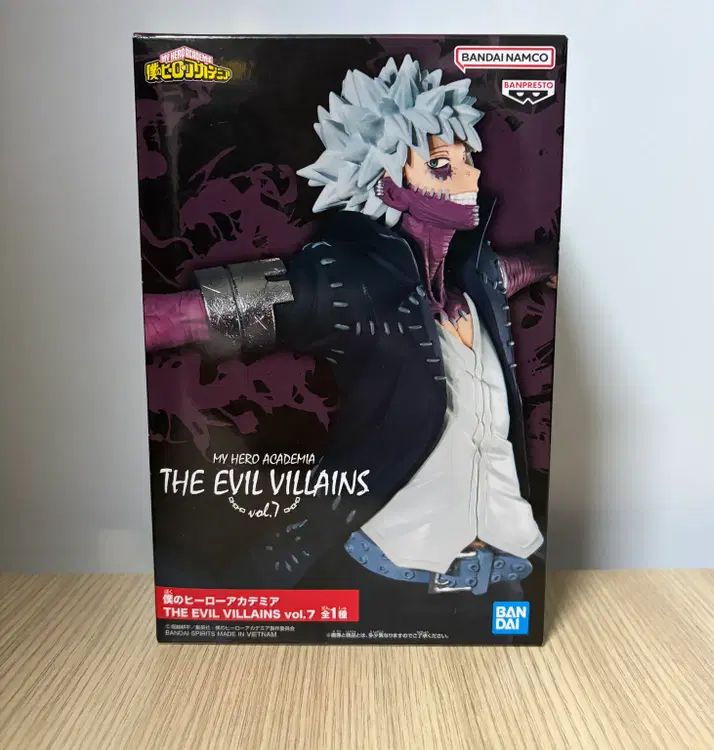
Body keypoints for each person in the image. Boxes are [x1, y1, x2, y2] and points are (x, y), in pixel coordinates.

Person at [143, 55, 556, 596]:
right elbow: (192, 314)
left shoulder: (476, 282)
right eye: (441, 163)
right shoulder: (347, 280)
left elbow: (521, 268)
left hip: (506, 576)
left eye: (468, 158)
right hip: (395, 586)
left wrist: (555, 265)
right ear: (389, 186)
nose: (472, 175)